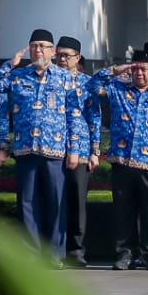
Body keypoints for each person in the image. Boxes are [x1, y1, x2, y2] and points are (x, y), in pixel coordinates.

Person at [0, 28, 90, 260]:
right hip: (25, 149)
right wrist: (8, 65)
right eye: (34, 46)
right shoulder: (18, 76)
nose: (38, 50)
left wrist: (74, 150)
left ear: (52, 51)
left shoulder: (65, 78)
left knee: (55, 203)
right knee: (28, 204)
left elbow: (74, 115)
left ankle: (55, 255)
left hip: (55, 149)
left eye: (42, 46)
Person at [92, 44, 148, 270]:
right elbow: (92, 86)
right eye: (136, 69)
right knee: (124, 210)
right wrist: (116, 69)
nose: (139, 73)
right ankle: (125, 253)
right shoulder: (118, 90)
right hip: (123, 159)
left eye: (144, 69)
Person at [54, 36, 103, 267]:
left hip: (81, 150)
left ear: (78, 58)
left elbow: (95, 118)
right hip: (51, 149)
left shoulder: (87, 83)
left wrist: (95, 151)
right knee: (54, 201)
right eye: (59, 55)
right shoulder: (49, 80)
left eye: (67, 55)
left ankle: (76, 250)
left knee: (76, 202)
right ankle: (55, 249)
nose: (62, 59)